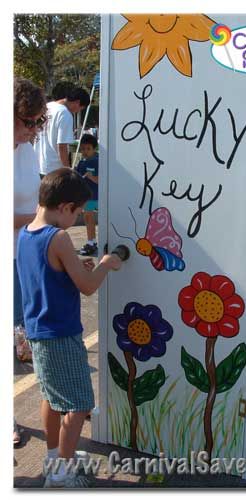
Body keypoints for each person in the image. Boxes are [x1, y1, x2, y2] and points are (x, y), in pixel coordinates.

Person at [16, 169, 122, 487]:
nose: (77, 217)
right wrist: (106, 264)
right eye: (77, 211)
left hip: (38, 332)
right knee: (78, 404)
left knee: (51, 396)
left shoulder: (26, 232)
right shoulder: (59, 237)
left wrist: (75, 265)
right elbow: (88, 286)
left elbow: (50, 273)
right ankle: (62, 473)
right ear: (64, 207)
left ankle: (54, 458)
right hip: (60, 333)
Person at [14, 77, 47, 445]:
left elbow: (35, 198)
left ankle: (56, 405)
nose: (35, 128)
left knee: (25, 338)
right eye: (29, 121)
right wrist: (37, 219)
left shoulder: (27, 149)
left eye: (38, 121)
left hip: (24, 253)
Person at [34, 87, 90, 176]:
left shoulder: (47, 107)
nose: (78, 111)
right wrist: (68, 171)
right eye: (81, 109)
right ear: (77, 102)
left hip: (37, 165)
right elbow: (62, 146)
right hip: (54, 169)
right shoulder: (65, 114)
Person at [75, 134, 99, 256]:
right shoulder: (81, 162)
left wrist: (91, 177)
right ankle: (91, 241)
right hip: (87, 197)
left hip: (99, 196)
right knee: (88, 218)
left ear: (94, 148)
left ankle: (95, 241)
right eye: (83, 149)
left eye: (88, 149)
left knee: (101, 218)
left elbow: (101, 180)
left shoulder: (98, 161)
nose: (85, 151)